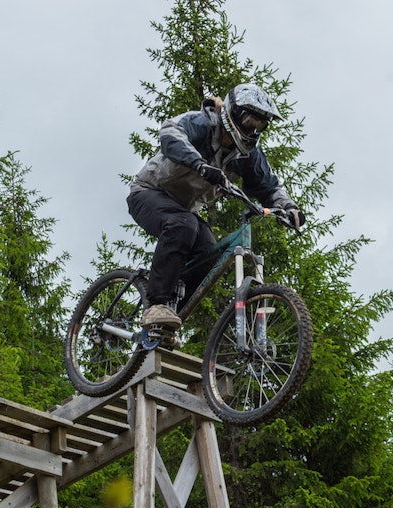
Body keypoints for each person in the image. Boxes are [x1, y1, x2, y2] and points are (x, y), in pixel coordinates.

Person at [127, 83, 306, 329]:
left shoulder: (249, 155)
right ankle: (157, 303)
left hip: (184, 208)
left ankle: (169, 316)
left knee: (209, 252)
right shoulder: (201, 123)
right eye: (249, 122)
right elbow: (170, 134)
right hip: (148, 192)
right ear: (232, 112)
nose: (252, 130)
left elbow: (268, 185)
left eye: (259, 126)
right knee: (183, 225)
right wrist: (199, 163)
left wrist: (288, 207)